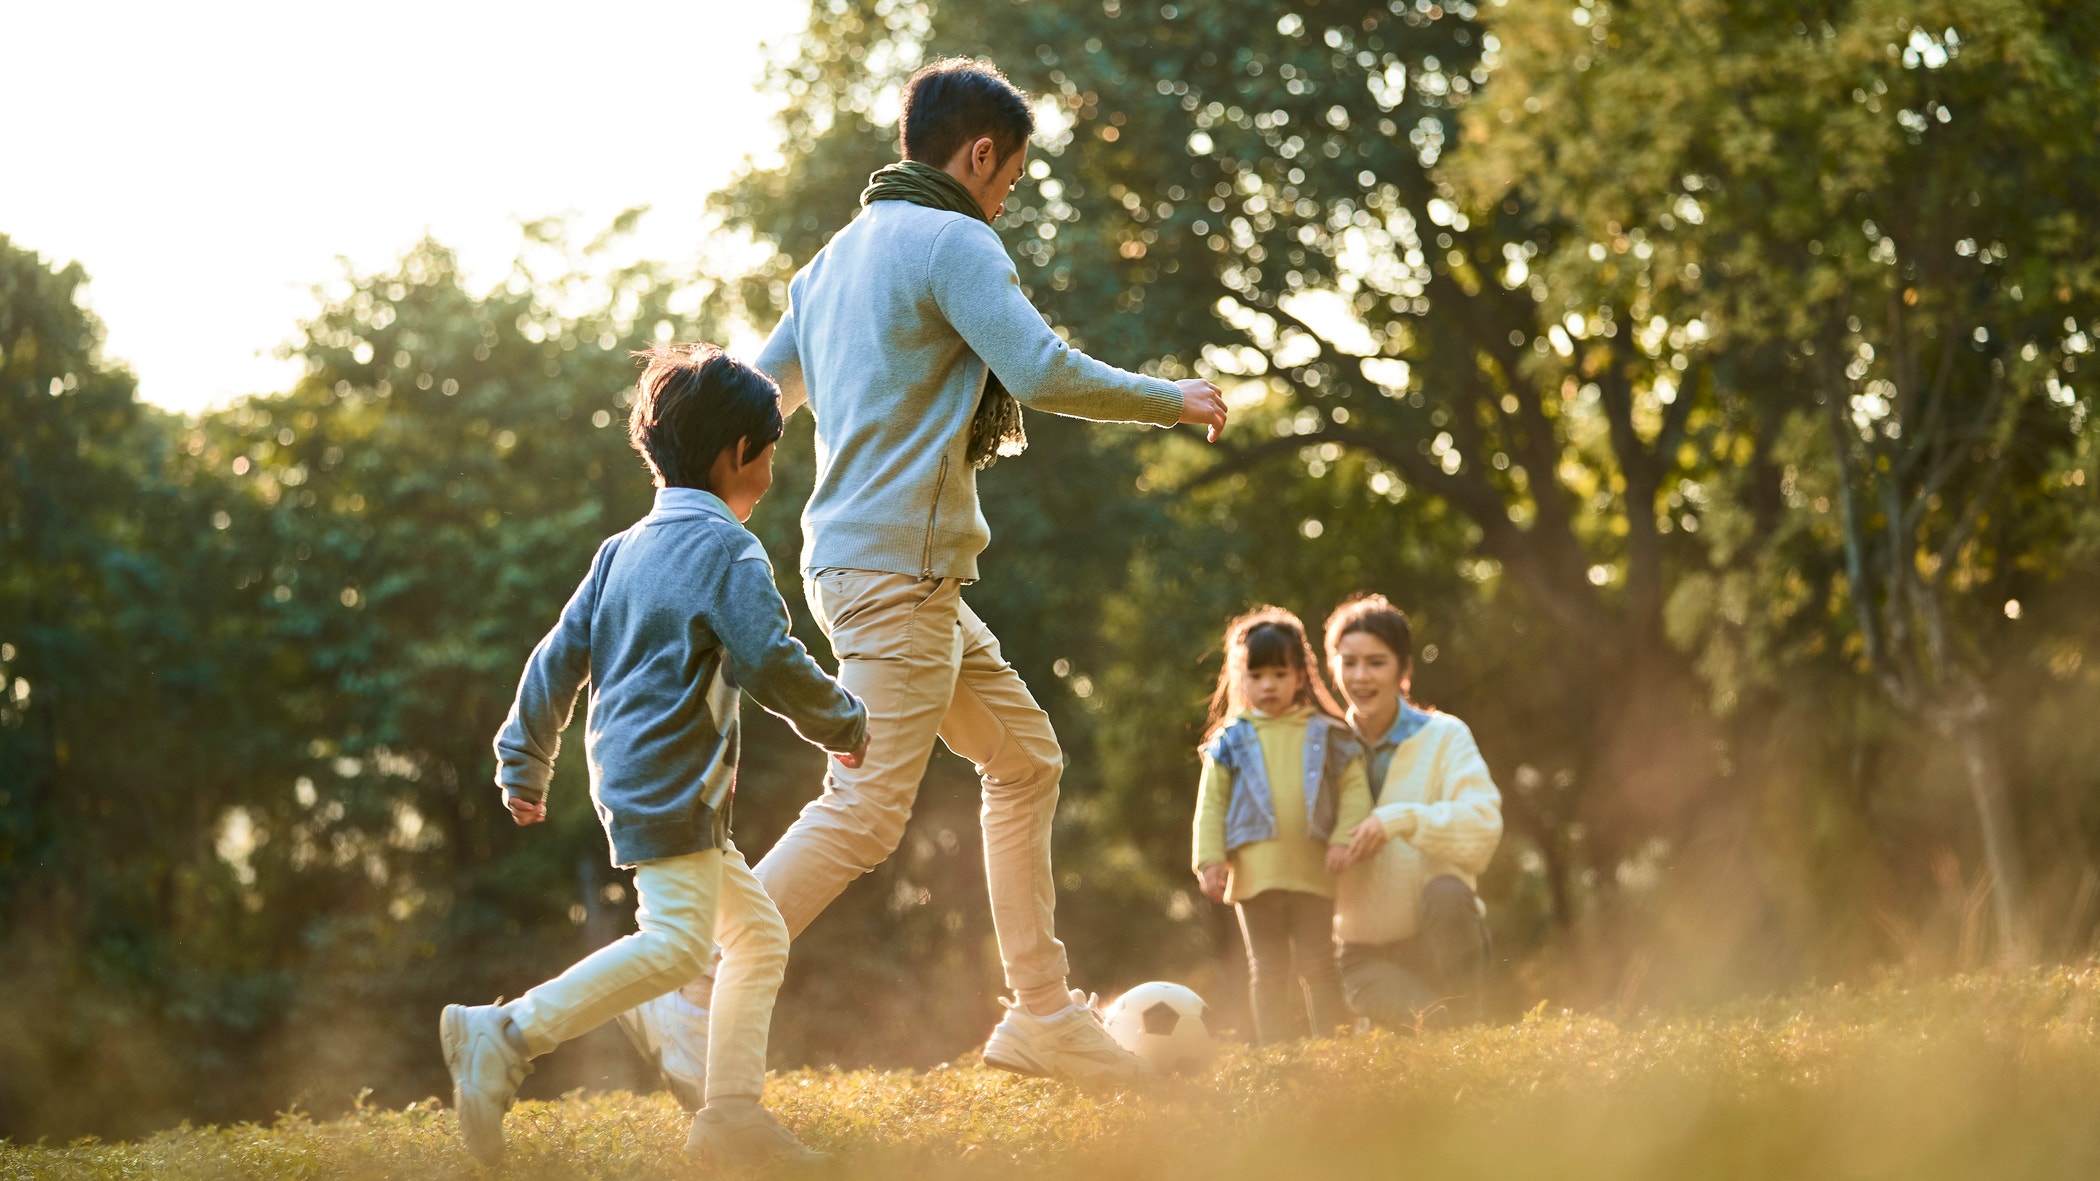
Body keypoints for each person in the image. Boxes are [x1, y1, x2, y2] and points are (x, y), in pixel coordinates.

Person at [616, 56, 1231, 1096]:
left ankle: (1041, 1012)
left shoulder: (833, 262)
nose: (1006, 201)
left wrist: (680, 482)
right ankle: (684, 983)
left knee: (1026, 760)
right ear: (980, 153)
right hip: (894, 575)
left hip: (878, 569)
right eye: (1011, 181)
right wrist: (1171, 397)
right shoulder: (956, 240)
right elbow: (1039, 371)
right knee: (860, 813)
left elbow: (762, 395)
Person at [439, 346, 869, 1170]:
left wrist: (523, 758)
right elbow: (770, 658)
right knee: (674, 946)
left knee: (756, 935)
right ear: (738, 454)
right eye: (772, 456)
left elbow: (555, 658)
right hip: (674, 779)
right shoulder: (729, 550)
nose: (773, 475)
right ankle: (505, 1032)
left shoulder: (619, 550)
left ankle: (731, 1112)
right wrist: (844, 723)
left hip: (638, 778)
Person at [1192, 607, 1373, 1045]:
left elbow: (1354, 791)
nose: (1268, 685)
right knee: (1269, 969)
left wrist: (1343, 839)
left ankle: (1334, 1050)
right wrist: (1209, 859)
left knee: (1320, 964)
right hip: (1256, 875)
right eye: (1256, 675)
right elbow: (1211, 802)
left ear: (1300, 675)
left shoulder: (1328, 734)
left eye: (1279, 673)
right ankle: (1277, 1055)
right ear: (1240, 679)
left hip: (1314, 870)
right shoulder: (1230, 740)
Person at [1326, 594, 1502, 1030]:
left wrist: (1401, 819)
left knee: (1447, 891)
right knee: (1436, 1029)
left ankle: (1472, 1028)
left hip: (1440, 937)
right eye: (1348, 663)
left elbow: (1483, 825)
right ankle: (1449, 1031)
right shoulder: (1322, 746)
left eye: (1376, 662)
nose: (1360, 676)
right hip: (1361, 954)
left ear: (1405, 669)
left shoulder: (1446, 736)